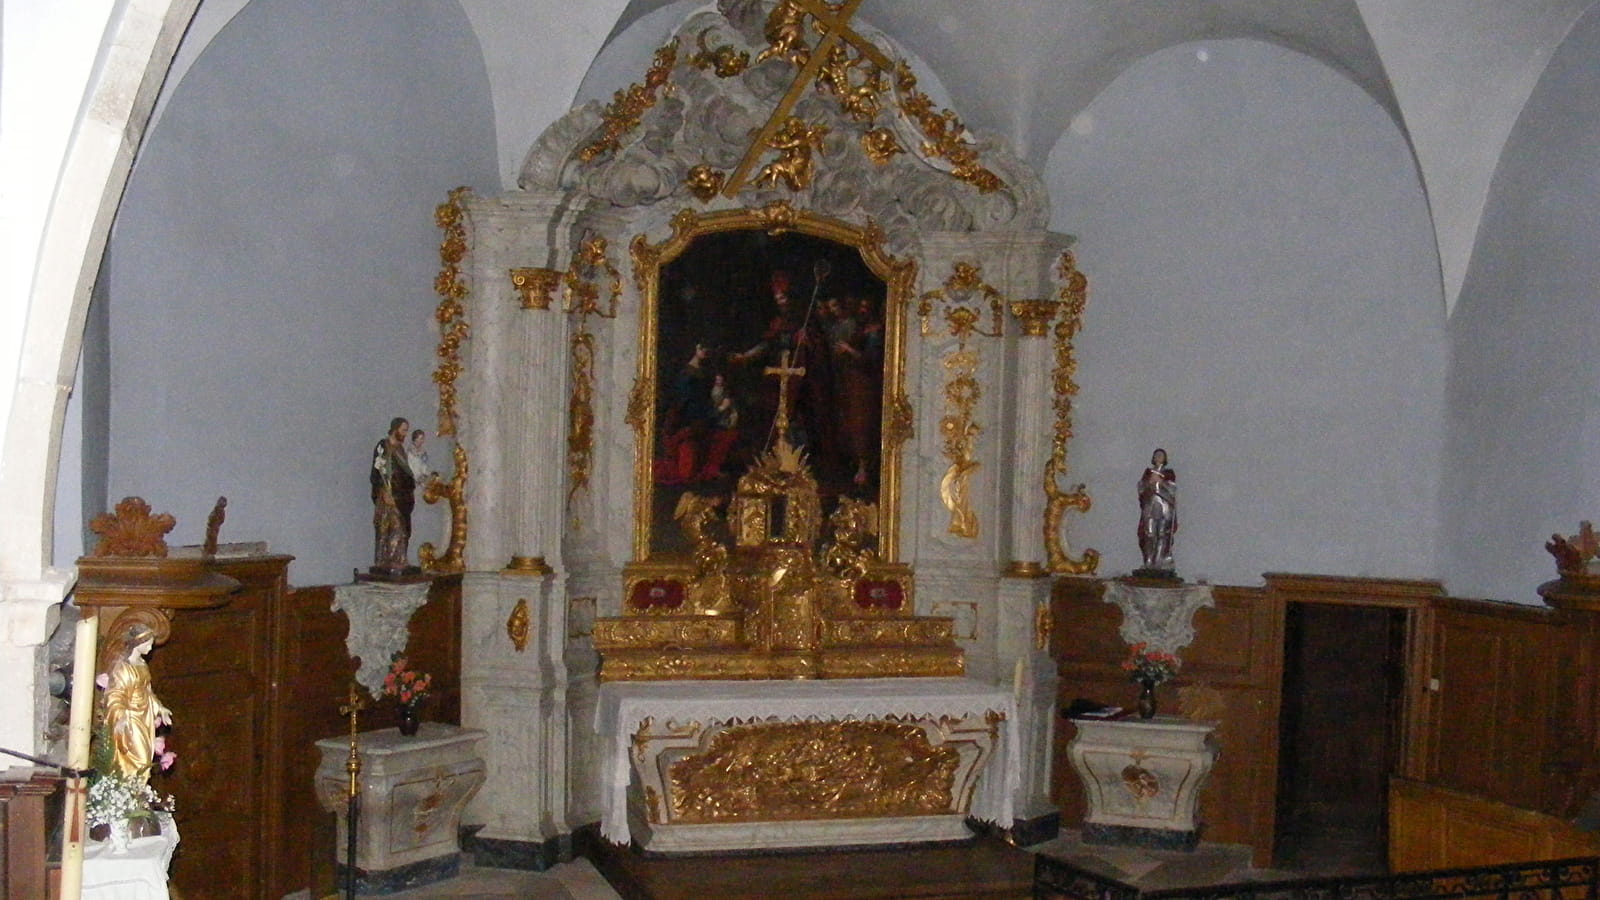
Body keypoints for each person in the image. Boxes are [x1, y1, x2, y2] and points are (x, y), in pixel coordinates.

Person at [100, 622, 172, 784]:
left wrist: (160, 708)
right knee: (136, 759)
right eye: (148, 644)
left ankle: (138, 796)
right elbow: (115, 695)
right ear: (138, 643)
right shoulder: (123, 668)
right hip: (131, 718)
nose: (150, 648)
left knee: (145, 760)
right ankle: (129, 792)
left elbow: (147, 691)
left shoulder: (142, 665)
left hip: (145, 716)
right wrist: (121, 715)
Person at [371, 417, 416, 571]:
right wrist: (384, 491)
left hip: (402, 497)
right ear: (395, 429)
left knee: (403, 530)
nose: (405, 434)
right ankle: (387, 561)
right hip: (389, 497)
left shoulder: (401, 450)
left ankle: (400, 559)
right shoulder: (384, 446)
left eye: (406, 430)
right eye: (403, 430)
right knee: (392, 530)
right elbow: (378, 473)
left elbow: (406, 473)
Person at [1138, 448, 1177, 572]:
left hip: (1164, 506)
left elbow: (1173, 490)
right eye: (1156, 455)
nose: (1159, 457)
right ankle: (1149, 560)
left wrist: (1161, 482)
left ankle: (1159, 561)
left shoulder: (1169, 473)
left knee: (1162, 533)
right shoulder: (1148, 472)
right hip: (1151, 505)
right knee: (1149, 533)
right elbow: (1141, 488)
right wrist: (1149, 482)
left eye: (1161, 456)